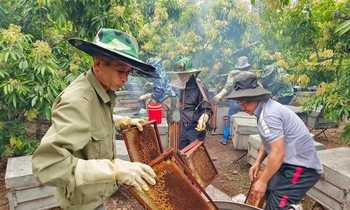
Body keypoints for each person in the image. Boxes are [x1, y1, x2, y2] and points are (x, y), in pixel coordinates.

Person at [32, 28, 159, 210]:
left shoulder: (101, 89)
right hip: (84, 203)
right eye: (120, 70)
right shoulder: (77, 102)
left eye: (128, 72)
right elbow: (47, 166)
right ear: (98, 64)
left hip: (101, 194)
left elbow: (91, 119)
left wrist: (119, 120)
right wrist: (114, 169)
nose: (125, 79)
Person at [226, 72, 322, 210]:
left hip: (302, 168)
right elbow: (268, 143)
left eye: (245, 101)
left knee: (277, 205)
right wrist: (257, 162)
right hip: (289, 163)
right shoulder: (264, 110)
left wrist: (263, 181)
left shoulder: (269, 115)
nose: (242, 106)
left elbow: (278, 152)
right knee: (269, 192)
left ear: (256, 97)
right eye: (240, 101)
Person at [167, 58, 213, 150]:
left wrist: (203, 118)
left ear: (191, 72)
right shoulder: (176, 86)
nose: (181, 77)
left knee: (194, 154)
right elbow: (172, 107)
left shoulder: (199, 86)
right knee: (180, 153)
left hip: (195, 128)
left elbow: (206, 108)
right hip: (180, 127)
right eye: (179, 74)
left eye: (184, 74)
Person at [213, 56, 252, 144]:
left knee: (230, 118)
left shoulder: (234, 75)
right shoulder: (252, 75)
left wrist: (219, 96)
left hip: (236, 102)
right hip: (249, 102)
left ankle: (225, 138)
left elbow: (227, 88)